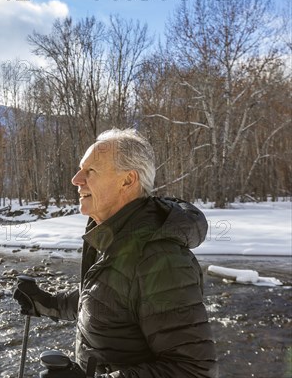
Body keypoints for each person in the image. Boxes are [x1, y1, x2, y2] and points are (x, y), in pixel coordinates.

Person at [14, 128, 217, 377]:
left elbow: (193, 370)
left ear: (127, 180)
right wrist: (44, 303)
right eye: (80, 169)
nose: (76, 179)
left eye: (91, 171)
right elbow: (105, 300)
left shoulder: (160, 258)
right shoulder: (117, 237)